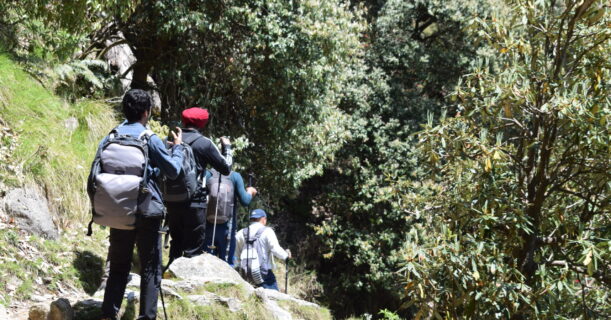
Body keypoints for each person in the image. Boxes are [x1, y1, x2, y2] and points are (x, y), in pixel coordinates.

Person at [99, 89, 185, 320]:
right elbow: (174, 171)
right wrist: (176, 149)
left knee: (118, 265)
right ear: (146, 113)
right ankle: (146, 317)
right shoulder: (149, 138)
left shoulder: (110, 137)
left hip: (118, 208)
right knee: (150, 267)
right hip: (146, 211)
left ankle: (108, 315)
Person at [166, 107, 232, 261]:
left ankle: (169, 275)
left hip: (172, 199)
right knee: (193, 247)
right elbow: (226, 168)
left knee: (176, 242)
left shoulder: (171, 139)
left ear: (183, 121)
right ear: (202, 124)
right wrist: (227, 148)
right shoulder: (204, 143)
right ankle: (187, 281)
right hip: (195, 202)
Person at [204, 169, 257, 262]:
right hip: (227, 229)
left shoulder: (208, 174)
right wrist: (250, 192)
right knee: (226, 262)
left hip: (208, 227)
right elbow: (245, 201)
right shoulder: (234, 176)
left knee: (206, 260)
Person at [236, 209, 291, 290]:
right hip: (264, 274)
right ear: (263, 219)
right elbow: (275, 249)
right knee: (273, 299)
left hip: (245, 273)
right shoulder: (267, 231)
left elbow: (237, 254)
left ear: (251, 219)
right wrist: (286, 256)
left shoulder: (241, 233)